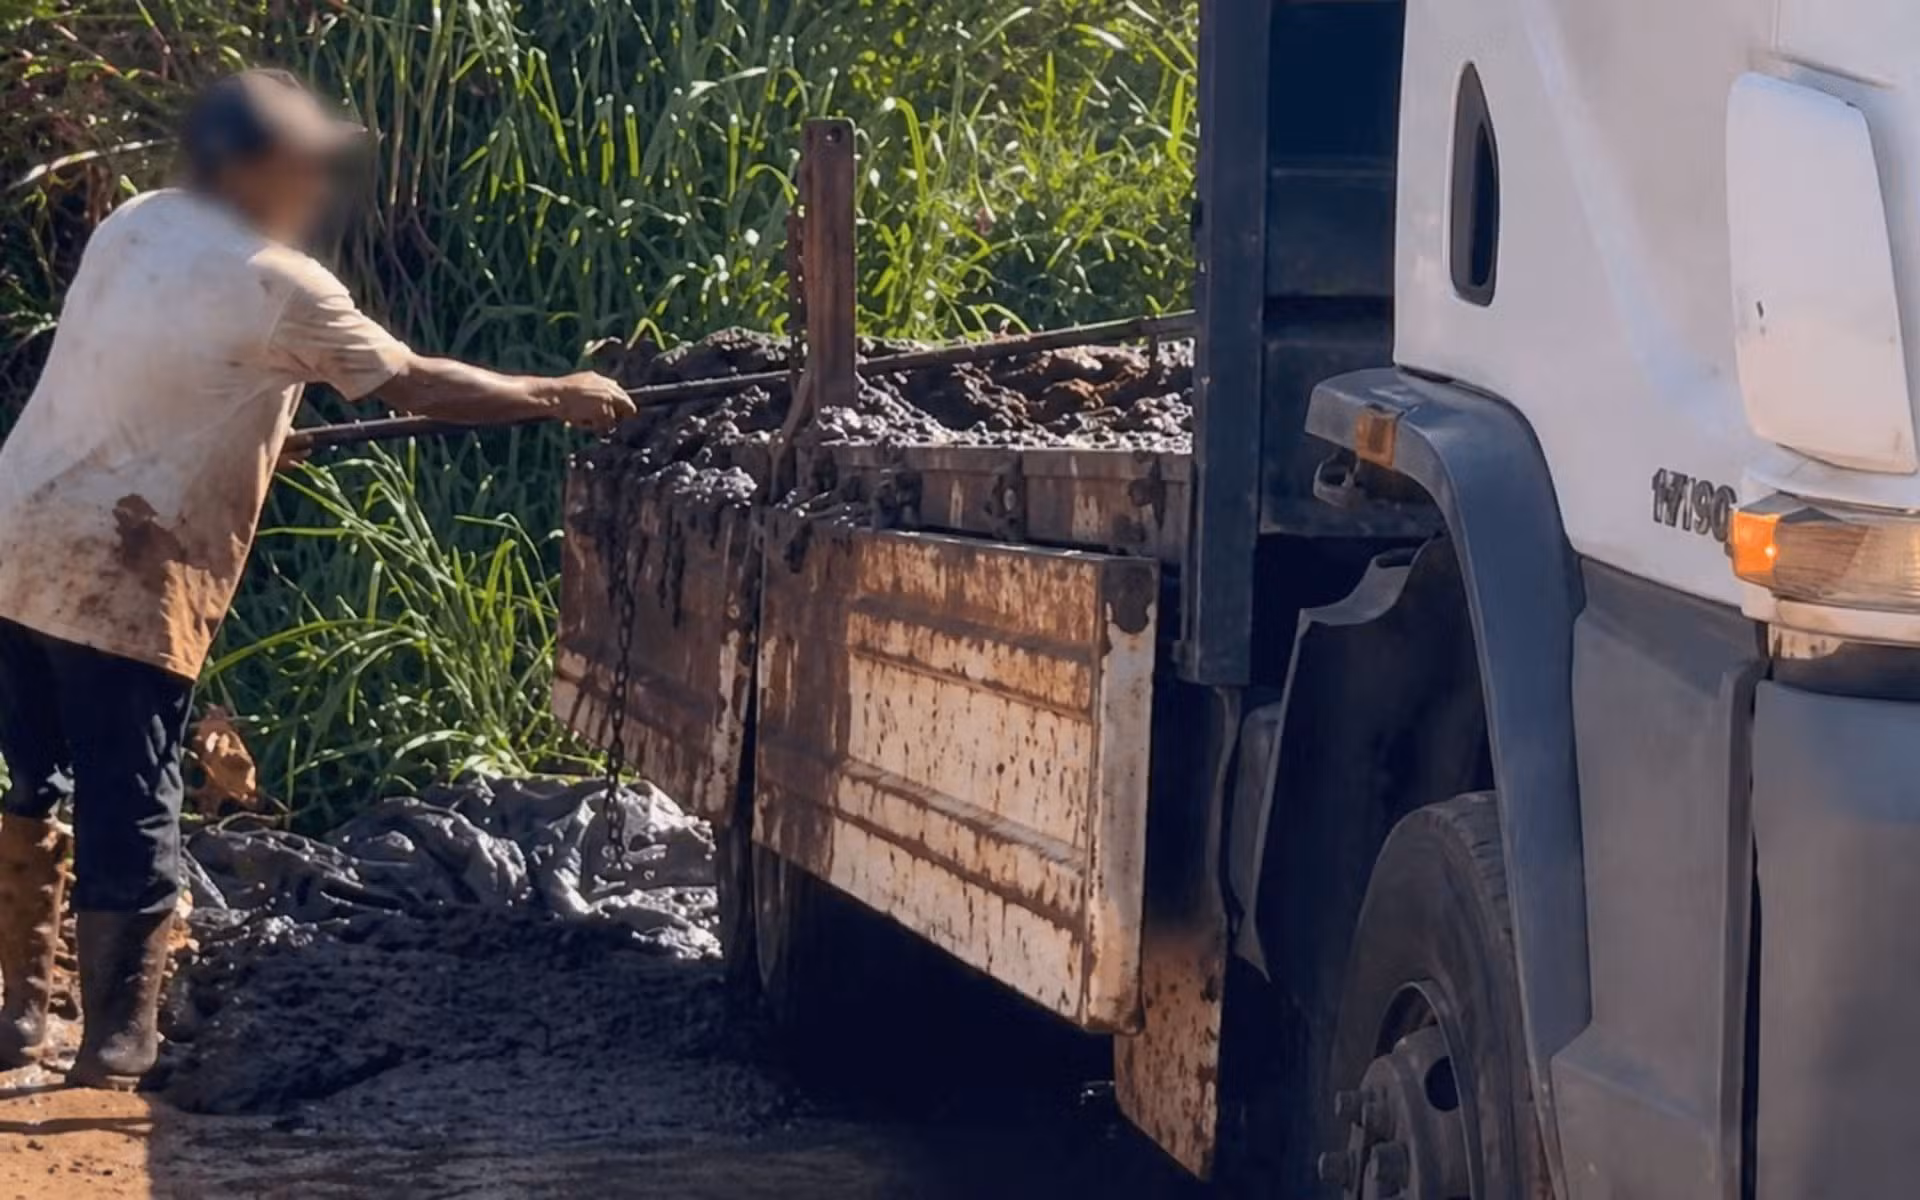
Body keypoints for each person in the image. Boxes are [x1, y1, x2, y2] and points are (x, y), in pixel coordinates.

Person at [0, 69, 636, 1089]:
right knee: (135, 796)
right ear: (252, 169)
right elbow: (417, 380)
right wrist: (553, 394)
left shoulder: (137, 222)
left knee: (40, 778)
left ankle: (21, 1018)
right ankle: (118, 1043)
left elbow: (150, 366)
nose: (318, 186)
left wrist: (259, 435)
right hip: (120, 567)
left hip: (19, 536)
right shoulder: (280, 282)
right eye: (306, 165)